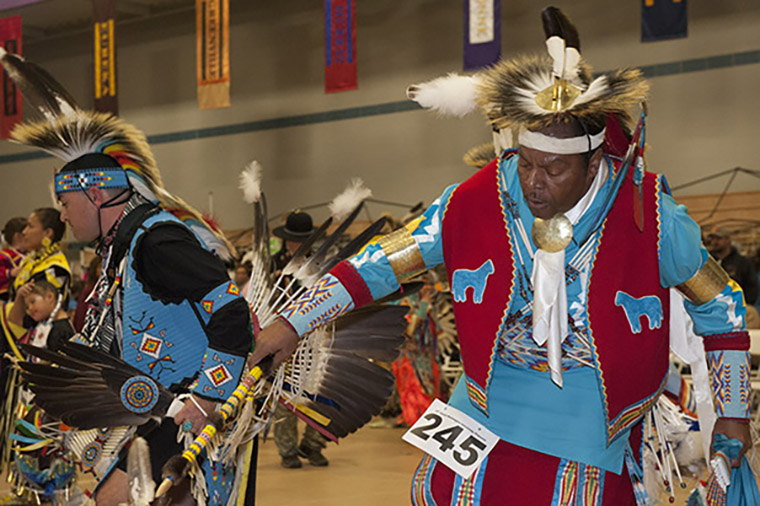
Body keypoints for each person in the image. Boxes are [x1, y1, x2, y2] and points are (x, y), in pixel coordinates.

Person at [250, 7, 752, 505]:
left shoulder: (651, 216)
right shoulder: (475, 199)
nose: (533, 181)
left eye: (553, 171)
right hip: (485, 402)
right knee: (441, 493)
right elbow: (382, 262)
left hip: (590, 414)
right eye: (526, 162)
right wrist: (293, 322)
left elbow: (722, 306)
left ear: (594, 161)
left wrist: (731, 415)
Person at [0, 49, 256, 505]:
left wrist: (208, 398)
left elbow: (231, 309)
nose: (63, 215)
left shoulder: (157, 241)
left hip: (189, 411)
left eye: (65, 203)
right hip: (161, 410)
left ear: (95, 193)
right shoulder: (123, 248)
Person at [2, 280, 77, 504]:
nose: (30, 308)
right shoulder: (41, 323)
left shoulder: (62, 329)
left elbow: (62, 367)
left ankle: (51, 496)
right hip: (33, 400)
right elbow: (13, 320)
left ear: (51, 298)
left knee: (50, 452)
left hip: (51, 404)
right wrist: (19, 299)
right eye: (28, 304)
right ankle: (33, 494)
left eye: (33, 301)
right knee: (29, 448)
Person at [270, 210, 330, 468]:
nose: (297, 244)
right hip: (284, 336)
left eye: (303, 238)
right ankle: (288, 450)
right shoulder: (274, 264)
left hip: (319, 337)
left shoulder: (322, 264)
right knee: (287, 393)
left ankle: (313, 444)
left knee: (322, 392)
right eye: (294, 239)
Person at [705, 226, 758, 305]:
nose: (714, 242)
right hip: (711, 307)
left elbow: (752, 288)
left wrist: (743, 305)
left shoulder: (743, 263)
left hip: (737, 307)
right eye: (712, 239)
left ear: (728, 240)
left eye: (718, 239)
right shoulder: (707, 262)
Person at [0, 217, 26, 303]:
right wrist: (9, 273)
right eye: (25, 235)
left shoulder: (30, 254)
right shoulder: (5, 255)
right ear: (17, 237)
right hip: (5, 296)